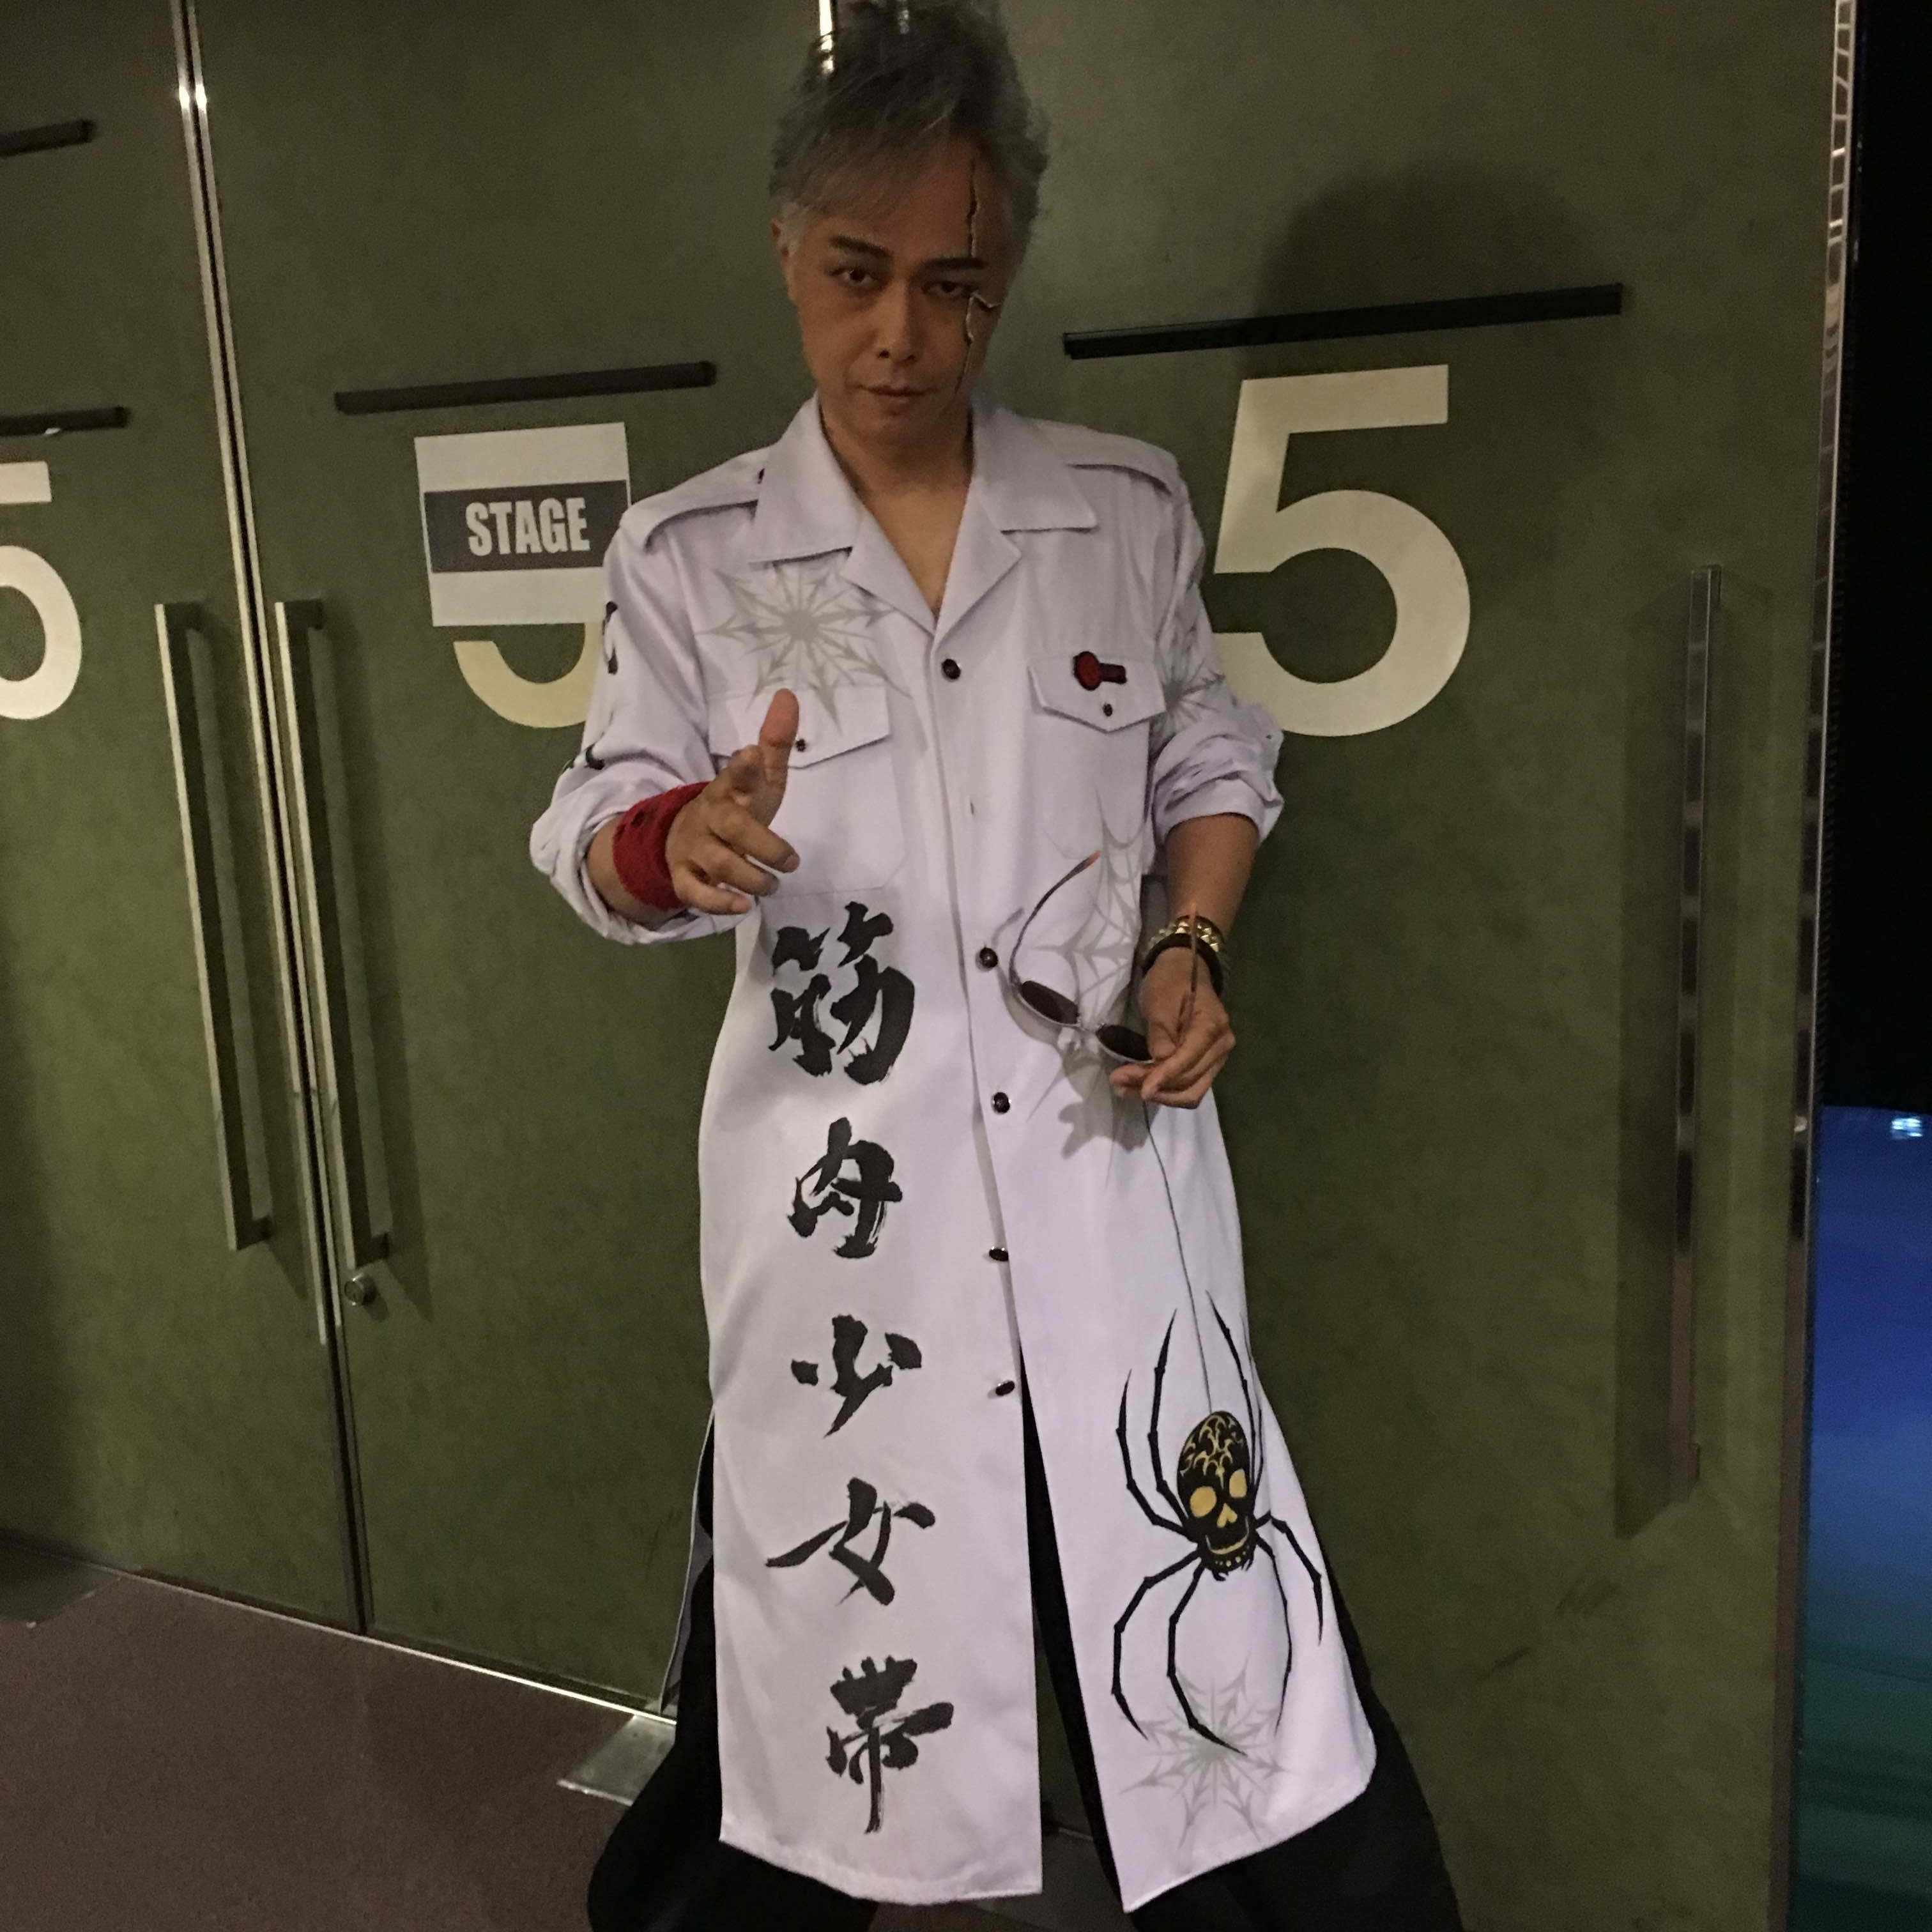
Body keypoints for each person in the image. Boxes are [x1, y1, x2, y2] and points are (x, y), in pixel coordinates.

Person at [530, 3, 1463, 1924]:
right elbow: (593, 819)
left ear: (1008, 274)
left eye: (953, 286)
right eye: (856, 273)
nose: (902, 334)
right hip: (849, 1235)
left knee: (1221, 1642)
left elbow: (1210, 754)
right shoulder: (693, 555)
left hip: (1107, 1198)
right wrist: (672, 837)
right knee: (810, 1666)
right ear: (786, 250)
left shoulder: (1117, 514)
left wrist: (1191, 941)